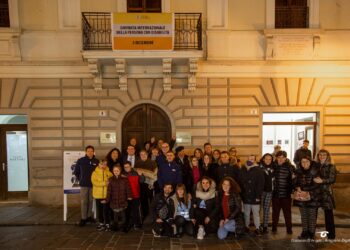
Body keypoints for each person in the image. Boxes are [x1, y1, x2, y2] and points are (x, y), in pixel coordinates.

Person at [293, 156, 321, 240]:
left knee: (311, 216)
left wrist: (304, 190)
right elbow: (294, 183)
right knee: (304, 215)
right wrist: (297, 187)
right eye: (302, 162)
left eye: (306, 162)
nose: (304, 163)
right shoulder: (298, 171)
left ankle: (311, 233)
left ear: (310, 162)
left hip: (312, 197)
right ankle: (304, 232)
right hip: (301, 197)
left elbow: (317, 184)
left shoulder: (316, 171)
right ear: (300, 163)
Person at [73, 145, 99, 226]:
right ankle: (83, 218)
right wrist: (81, 179)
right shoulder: (81, 160)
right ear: (86, 152)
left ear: (93, 152)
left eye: (91, 151)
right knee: (84, 201)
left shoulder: (96, 161)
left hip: (93, 185)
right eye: (88, 151)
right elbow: (76, 171)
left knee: (91, 201)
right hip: (84, 185)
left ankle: (89, 216)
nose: (90, 152)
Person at [314, 149, 337, 239]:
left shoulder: (331, 166)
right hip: (316, 192)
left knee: (328, 215)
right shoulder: (316, 166)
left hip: (326, 193)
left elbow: (332, 179)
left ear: (327, 156)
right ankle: (311, 233)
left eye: (324, 155)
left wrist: (322, 180)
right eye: (320, 155)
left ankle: (331, 235)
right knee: (313, 214)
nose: (321, 156)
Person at [239, 155, 265, 236]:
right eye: (250, 158)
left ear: (255, 160)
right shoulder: (243, 169)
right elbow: (240, 181)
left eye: (253, 159)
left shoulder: (259, 170)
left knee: (256, 213)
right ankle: (246, 227)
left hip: (255, 196)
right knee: (246, 213)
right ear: (247, 159)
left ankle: (257, 228)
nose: (251, 160)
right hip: (246, 195)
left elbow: (261, 184)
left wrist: (258, 196)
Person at [272, 150, 295, 234]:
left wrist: (292, 192)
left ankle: (289, 228)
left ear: (285, 158)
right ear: (276, 158)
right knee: (275, 213)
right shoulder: (273, 166)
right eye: (279, 157)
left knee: (287, 213)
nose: (281, 159)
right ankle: (274, 228)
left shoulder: (290, 167)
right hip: (275, 194)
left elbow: (293, 181)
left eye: (283, 157)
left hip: (286, 194)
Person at [106, 164, 132, 232]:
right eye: (114, 171)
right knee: (115, 215)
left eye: (117, 170)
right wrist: (107, 199)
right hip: (114, 200)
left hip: (122, 200)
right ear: (113, 171)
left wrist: (129, 196)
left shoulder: (124, 179)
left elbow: (128, 189)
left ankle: (124, 226)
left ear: (120, 171)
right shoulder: (110, 180)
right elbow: (109, 191)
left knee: (123, 214)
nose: (116, 172)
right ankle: (115, 226)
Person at [134, 149, 158, 220]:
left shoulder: (152, 163)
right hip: (141, 185)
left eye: (144, 154)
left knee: (151, 201)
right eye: (141, 154)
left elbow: (155, 175)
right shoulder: (137, 163)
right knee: (143, 201)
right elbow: (136, 175)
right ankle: (145, 216)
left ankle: (152, 216)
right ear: (140, 156)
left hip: (150, 185)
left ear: (147, 155)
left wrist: (152, 183)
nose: (143, 156)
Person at [91, 159, 113, 231]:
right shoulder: (94, 173)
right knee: (100, 210)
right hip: (98, 195)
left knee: (106, 210)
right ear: (98, 164)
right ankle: (101, 223)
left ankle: (107, 223)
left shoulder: (109, 173)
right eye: (101, 164)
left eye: (105, 164)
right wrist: (104, 183)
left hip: (106, 195)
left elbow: (111, 181)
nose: (103, 166)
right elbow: (95, 183)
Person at [123, 161, 144, 231]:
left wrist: (141, 175)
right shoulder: (122, 174)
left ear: (131, 166)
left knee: (136, 211)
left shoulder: (135, 173)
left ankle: (137, 224)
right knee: (127, 211)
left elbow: (142, 181)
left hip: (135, 195)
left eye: (127, 167)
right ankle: (128, 223)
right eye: (125, 167)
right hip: (126, 196)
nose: (126, 168)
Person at [259, 153, 275, 233]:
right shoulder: (259, 167)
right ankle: (258, 226)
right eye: (266, 159)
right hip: (260, 191)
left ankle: (265, 226)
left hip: (269, 191)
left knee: (266, 209)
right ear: (263, 159)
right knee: (259, 209)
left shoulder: (274, 167)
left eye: (270, 159)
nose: (268, 160)